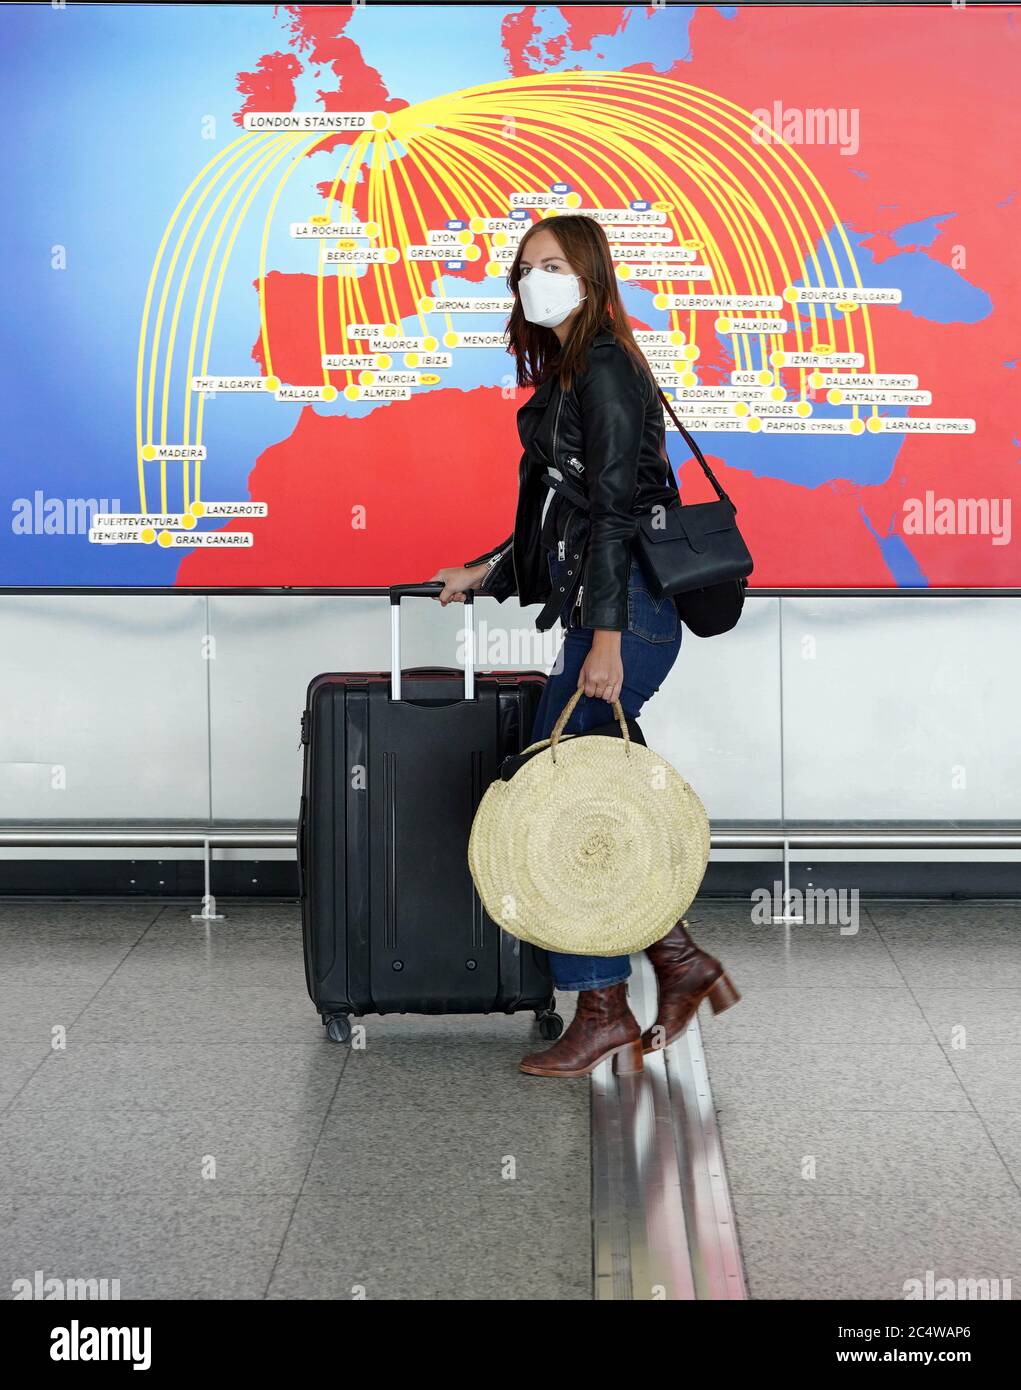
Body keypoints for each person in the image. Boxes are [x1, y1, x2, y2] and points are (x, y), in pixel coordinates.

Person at [432, 214, 739, 1078]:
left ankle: (603, 1004)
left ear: (591, 274)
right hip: (608, 608)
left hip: (627, 613)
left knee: (558, 791)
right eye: (525, 267)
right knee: (595, 807)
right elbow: (556, 514)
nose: (536, 279)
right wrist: (484, 574)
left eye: (554, 264)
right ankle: (676, 966)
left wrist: (602, 641)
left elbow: (611, 519)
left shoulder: (602, 366)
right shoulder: (577, 369)